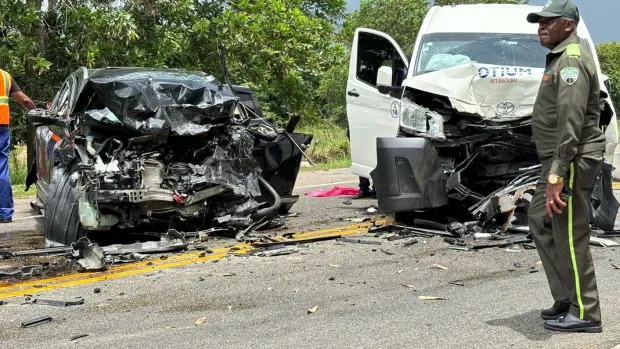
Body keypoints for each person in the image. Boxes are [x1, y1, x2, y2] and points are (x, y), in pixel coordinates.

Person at [526, 0, 606, 333]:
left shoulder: (571, 61)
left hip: (571, 158)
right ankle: (566, 296)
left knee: (571, 233)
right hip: (560, 158)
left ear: (568, 25)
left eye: (549, 21)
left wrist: (558, 173)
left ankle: (586, 313)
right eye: (539, 22)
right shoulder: (560, 59)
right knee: (539, 219)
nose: (541, 26)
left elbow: (570, 122)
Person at [0, 69, 36, 223]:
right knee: (1, 168)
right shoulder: (4, 76)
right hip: (1, 126)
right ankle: (5, 213)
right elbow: (25, 100)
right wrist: (38, 112)